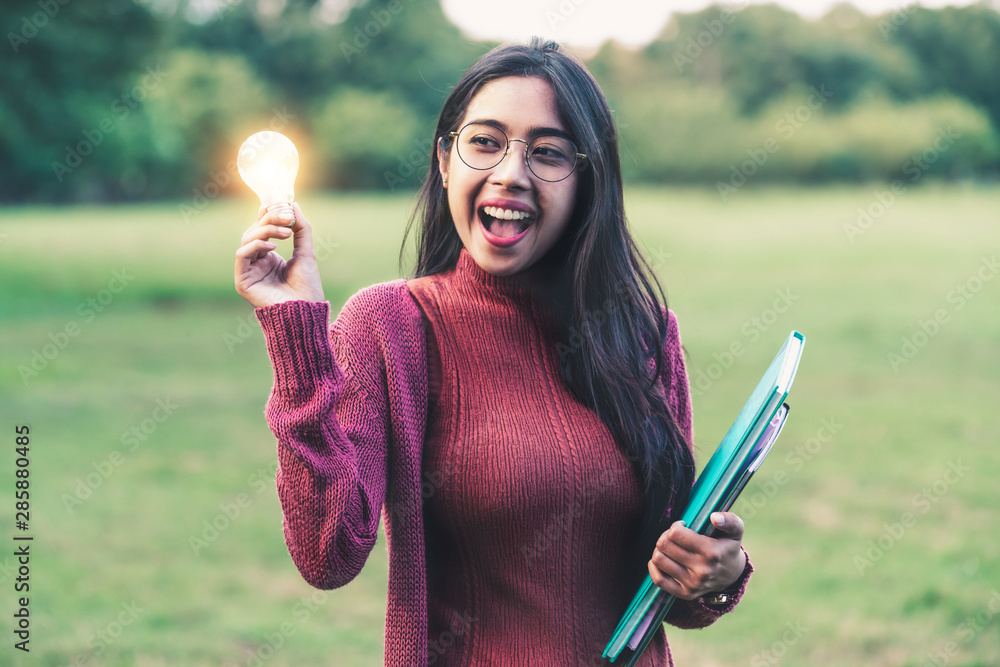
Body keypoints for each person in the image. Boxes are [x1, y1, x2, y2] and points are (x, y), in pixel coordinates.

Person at [235, 38, 752, 666]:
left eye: (548, 153)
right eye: (484, 142)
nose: (510, 173)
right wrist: (296, 334)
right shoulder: (390, 325)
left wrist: (718, 573)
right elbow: (327, 554)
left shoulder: (642, 332)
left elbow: (669, 584)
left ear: (588, 180)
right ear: (446, 160)